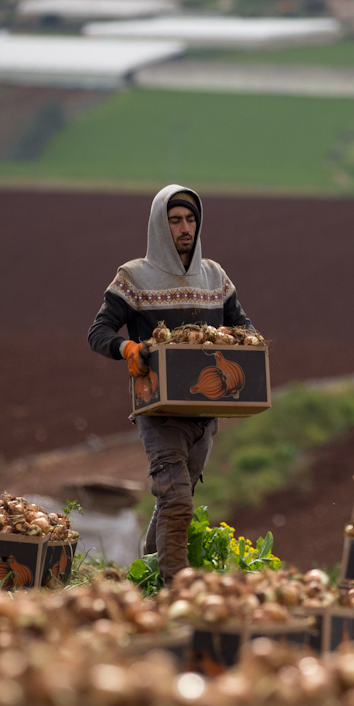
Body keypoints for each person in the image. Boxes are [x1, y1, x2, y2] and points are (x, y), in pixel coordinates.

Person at [87, 185, 256, 577]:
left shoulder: (216, 276)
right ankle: (174, 593)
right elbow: (98, 332)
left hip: (205, 415)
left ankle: (148, 574)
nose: (184, 228)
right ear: (159, 226)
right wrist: (129, 350)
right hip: (160, 413)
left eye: (190, 220)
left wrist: (244, 341)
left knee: (172, 503)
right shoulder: (134, 277)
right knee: (178, 502)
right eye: (175, 220)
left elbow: (244, 326)